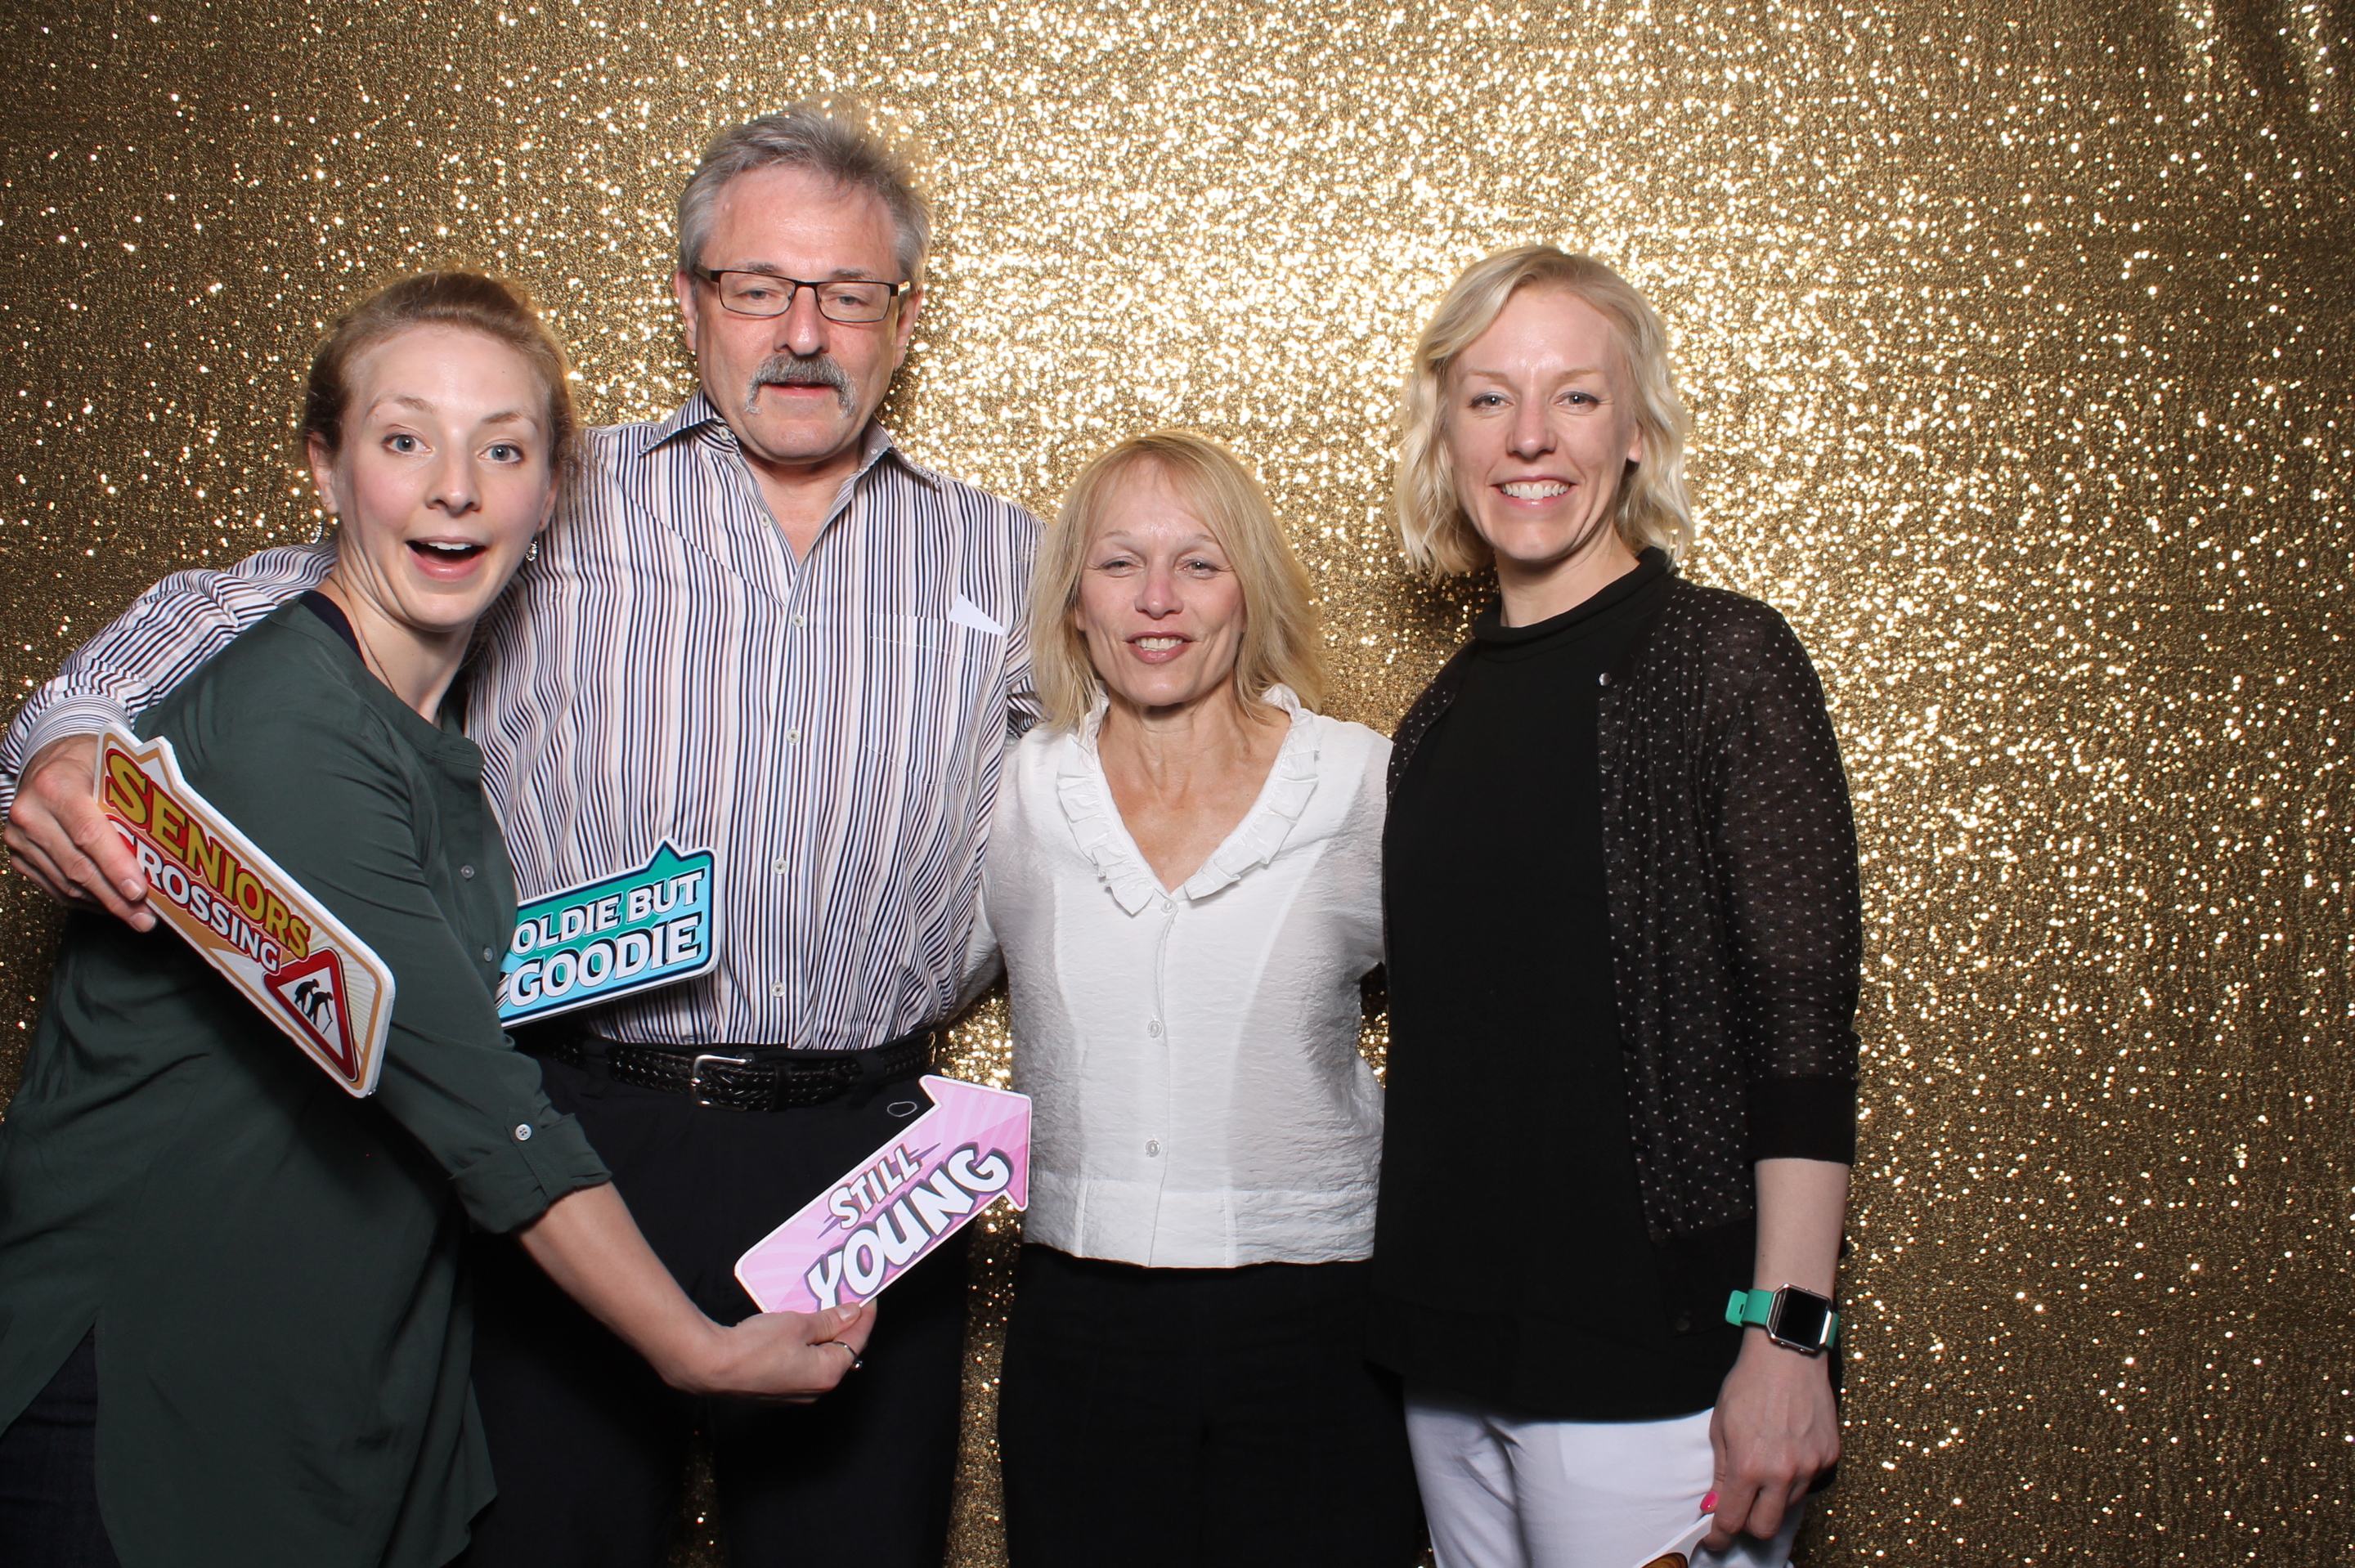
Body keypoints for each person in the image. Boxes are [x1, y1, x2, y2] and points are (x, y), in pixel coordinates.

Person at [1, 102, 1037, 1568]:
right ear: (690, 302)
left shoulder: (1011, 553)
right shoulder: (555, 483)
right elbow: (282, 593)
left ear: (904, 317)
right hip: (568, 1113)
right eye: (758, 287)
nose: (803, 332)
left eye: (848, 293)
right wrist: (68, 724)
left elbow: (1162, 730)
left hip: (864, 1149)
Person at [1367, 245, 1860, 1568]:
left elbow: (1803, 1040)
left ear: (1635, 430)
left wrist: (1790, 1339)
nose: (1530, 436)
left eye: (1575, 396)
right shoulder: (1434, 720)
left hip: (1657, 1374)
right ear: (1447, 434)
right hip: (1447, 1365)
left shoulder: (1723, 663)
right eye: (1489, 398)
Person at [971, 431, 1421, 1566]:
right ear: (1075, 601)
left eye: (1199, 563)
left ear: (1247, 591)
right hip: (1080, 1323)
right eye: (1121, 563)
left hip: (1322, 1314)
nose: (1158, 599)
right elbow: (893, 979)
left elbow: (1497, 1017)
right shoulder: (1016, 791)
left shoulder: (1364, 781)